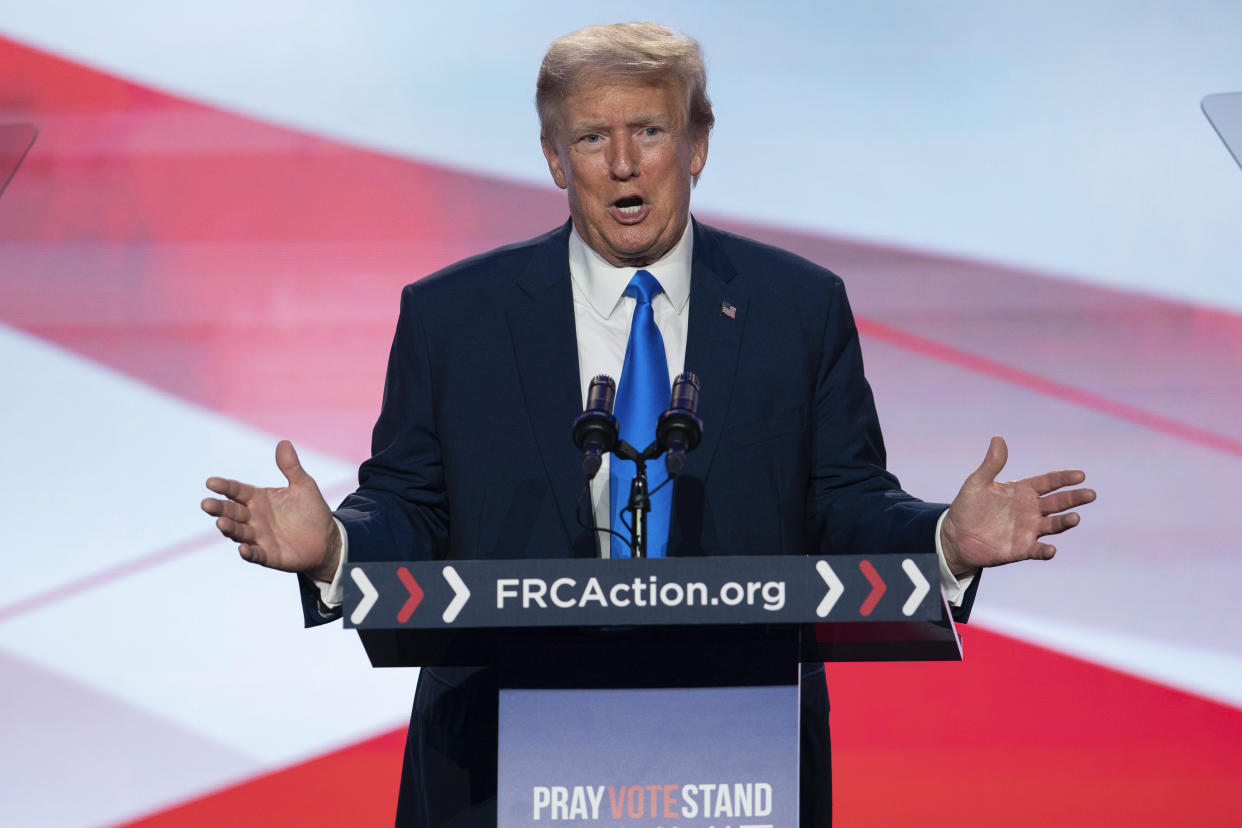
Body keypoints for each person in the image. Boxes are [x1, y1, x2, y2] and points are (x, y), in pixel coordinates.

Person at [201, 22, 1095, 827]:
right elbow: (410, 504)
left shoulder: (798, 309)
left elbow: (845, 504)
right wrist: (333, 551)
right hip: (498, 759)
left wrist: (945, 540)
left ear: (698, 144)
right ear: (555, 158)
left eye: (651, 131)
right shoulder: (454, 317)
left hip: (737, 765)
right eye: (592, 137)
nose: (623, 163)